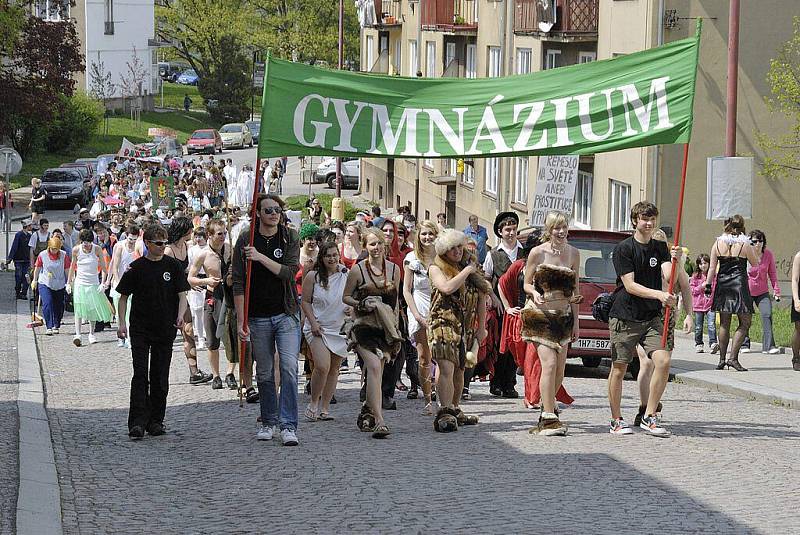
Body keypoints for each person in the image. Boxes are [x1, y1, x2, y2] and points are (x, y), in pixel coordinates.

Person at [607, 201, 685, 438]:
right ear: (635, 221)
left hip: (651, 316)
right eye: (644, 219)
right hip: (626, 315)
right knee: (619, 368)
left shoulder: (659, 246)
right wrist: (660, 295)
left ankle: (649, 415)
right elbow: (630, 285)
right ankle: (616, 419)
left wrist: (676, 259)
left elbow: (669, 275)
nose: (649, 224)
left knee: (662, 361)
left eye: (652, 219)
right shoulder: (624, 249)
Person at [233, 193, 302, 446]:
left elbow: (289, 271)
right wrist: (242, 321)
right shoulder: (245, 239)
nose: (274, 214)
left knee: (289, 368)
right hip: (258, 315)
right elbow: (238, 283)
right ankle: (269, 420)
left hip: (286, 312)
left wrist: (260, 257)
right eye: (269, 210)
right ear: (258, 214)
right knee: (263, 371)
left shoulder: (290, 237)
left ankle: (288, 425)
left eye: (277, 210)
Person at [116, 222, 190, 439]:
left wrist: (180, 314)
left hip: (165, 327)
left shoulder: (172, 266)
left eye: (164, 242)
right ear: (147, 243)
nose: (162, 246)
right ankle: (137, 422)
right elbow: (123, 297)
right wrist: (122, 323)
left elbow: (182, 294)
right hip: (140, 328)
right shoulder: (137, 268)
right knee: (140, 374)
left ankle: (156, 420)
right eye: (158, 243)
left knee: (160, 376)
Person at [520, 212, 581, 436]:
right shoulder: (537, 253)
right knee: (550, 364)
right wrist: (534, 293)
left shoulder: (574, 253)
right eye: (556, 228)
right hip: (539, 315)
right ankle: (548, 417)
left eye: (564, 227)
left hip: (563, 317)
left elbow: (575, 291)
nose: (561, 231)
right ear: (549, 230)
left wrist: (576, 323)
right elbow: (526, 283)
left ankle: (550, 405)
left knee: (560, 370)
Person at [499, 230, 573, 410]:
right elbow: (502, 283)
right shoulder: (520, 265)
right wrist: (508, 308)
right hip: (528, 316)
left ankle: (545, 399)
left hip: (555, 317)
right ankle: (534, 398)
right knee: (531, 361)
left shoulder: (561, 260)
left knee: (548, 365)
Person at [426, 229, 490, 432]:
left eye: (459, 246)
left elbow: (481, 297)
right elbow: (446, 288)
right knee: (447, 368)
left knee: (461, 369)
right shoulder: (437, 268)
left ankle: (455, 408)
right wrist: (467, 272)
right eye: (452, 248)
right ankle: (444, 412)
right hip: (442, 323)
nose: (457, 251)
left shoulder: (470, 267)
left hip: (465, 325)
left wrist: (481, 328)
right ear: (444, 251)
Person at [342, 228, 402, 438]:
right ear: (365, 247)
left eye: (379, 244)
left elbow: (395, 302)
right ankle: (380, 420)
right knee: (375, 366)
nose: (376, 248)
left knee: (376, 374)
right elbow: (346, 297)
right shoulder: (358, 270)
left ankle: (368, 410)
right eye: (372, 244)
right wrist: (362, 303)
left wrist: (394, 329)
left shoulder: (394, 270)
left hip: (384, 327)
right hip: (363, 325)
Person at [705, 215, 761, 371]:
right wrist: (756, 249)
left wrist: (708, 286)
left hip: (722, 285)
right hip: (739, 285)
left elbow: (711, 268)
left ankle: (722, 359)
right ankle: (733, 358)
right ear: (742, 226)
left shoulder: (717, 243)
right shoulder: (745, 244)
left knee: (724, 323)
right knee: (745, 322)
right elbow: (755, 263)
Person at [301, 242, 349, 421]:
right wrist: (312, 322)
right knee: (322, 366)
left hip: (339, 327)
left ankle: (325, 408)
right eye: (328, 255)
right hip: (318, 326)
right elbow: (305, 301)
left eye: (335, 255)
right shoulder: (313, 276)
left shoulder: (345, 274)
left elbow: (352, 297)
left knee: (334, 368)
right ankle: (314, 402)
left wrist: (351, 309)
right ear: (322, 258)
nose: (332, 258)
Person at [188, 219, 235, 390]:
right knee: (212, 339)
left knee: (231, 337)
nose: (223, 236)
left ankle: (230, 373)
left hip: (230, 295)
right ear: (210, 235)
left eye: (224, 233)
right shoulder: (203, 254)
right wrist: (206, 280)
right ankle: (216, 375)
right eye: (219, 233)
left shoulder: (230, 248)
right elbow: (191, 278)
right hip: (213, 296)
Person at [166, 216, 211, 385]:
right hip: (169, 299)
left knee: (189, 332)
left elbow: (185, 272)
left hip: (182, 297)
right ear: (183, 230)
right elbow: (167, 277)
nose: (192, 232)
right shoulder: (168, 251)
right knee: (167, 337)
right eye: (190, 229)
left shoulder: (186, 246)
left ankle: (194, 372)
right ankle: (159, 372)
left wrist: (191, 281)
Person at [483, 212, 523, 399]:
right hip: (500, 305)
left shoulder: (525, 253)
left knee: (516, 344)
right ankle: (496, 382)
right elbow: (486, 279)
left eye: (513, 229)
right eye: (507, 229)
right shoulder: (493, 255)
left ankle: (510, 383)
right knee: (500, 345)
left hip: (521, 303)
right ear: (500, 232)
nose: (511, 233)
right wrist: (493, 297)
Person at [403, 220, 438, 413]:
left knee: (442, 358)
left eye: (430, 234)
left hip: (439, 310)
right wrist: (416, 315)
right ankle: (428, 399)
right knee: (424, 357)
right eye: (424, 234)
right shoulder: (411, 259)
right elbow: (406, 290)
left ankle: (443, 396)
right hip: (419, 308)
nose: (427, 238)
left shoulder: (442, 257)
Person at [67, 229, 112, 346]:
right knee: (79, 308)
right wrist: (68, 282)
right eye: (84, 242)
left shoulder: (97, 249)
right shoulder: (76, 250)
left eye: (88, 242)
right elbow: (72, 266)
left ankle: (91, 333)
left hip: (93, 283)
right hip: (80, 283)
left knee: (92, 308)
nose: (86, 245)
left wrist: (103, 283)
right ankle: (78, 334)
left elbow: (103, 267)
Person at [742, 229, 781, 354]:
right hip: (747, 291)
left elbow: (772, 274)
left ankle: (768, 346)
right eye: (754, 241)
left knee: (767, 314)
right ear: (750, 243)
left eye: (760, 240)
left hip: (762, 292)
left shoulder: (768, 254)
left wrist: (776, 290)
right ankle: (744, 344)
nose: (758, 243)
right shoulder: (745, 254)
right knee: (745, 317)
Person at [31, 236, 70, 335]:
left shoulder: (64, 255)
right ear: (49, 247)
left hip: (59, 283)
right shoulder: (42, 255)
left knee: (59, 305)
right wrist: (34, 280)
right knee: (47, 303)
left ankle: (56, 324)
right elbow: (38, 268)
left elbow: (67, 270)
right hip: (45, 282)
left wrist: (69, 282)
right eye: (53, 249)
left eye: (56, 249)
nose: (54, 251)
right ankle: (49, 326)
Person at [110, 223, 141, 348]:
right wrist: (117, 282)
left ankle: (129, 337)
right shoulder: (120, 247)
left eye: (134, 239)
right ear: (126, 236)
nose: (132, 242)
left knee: (130, 313)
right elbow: (115, 267)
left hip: (134, 285)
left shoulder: (137, 247)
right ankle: (121, 336)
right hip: (120, 283)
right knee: (120, 314)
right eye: (130, 239)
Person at [689, 254, 718, 354]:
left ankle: (713, 343)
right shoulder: (695, 276)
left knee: (711, 324)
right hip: (698, 305)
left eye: (705, 263)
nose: (703, 265)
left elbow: (716, 289)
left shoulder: (714, 276)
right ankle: (699, 344)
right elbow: (692, 290)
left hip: (710, 304)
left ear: (709, 264)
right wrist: (702, 286)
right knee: (698, 326)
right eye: (700, 264)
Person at [9, 219, 33, 299]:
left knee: (26, 276)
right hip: (18, 260)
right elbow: (14, 246)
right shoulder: (19, 235)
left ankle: (24, 293)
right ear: (28, 226)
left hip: (27, 260)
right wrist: (10, 257)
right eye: (31, 225)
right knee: (18, 276)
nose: (32, 227)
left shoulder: (30, 236)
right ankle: (17, 292)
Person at [791, 249, 800, 372]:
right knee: (799, 327)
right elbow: (795, 279)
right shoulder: (799, 256)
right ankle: (796, 357)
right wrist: (796, 299)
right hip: (799, 295)